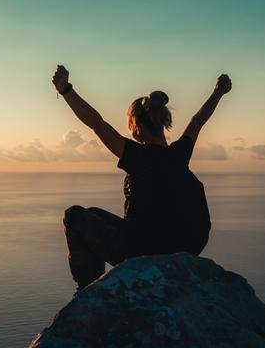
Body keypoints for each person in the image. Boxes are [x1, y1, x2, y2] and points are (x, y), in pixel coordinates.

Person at [51, 65, 232, 291]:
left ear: (136, 127)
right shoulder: (179, 153)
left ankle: (88, 289)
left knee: (75, 216)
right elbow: (199, 119)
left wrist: (66, 90)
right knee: (95, 214)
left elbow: (96, 123)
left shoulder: (136, 156)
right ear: (163, 123)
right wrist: (218, 92)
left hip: (142, 250)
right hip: (186, 247)